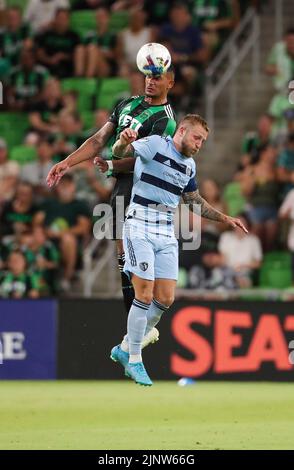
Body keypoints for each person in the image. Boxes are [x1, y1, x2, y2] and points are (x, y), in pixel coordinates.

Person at [109, 114, 247, 386]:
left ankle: (125, 347)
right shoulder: (155, 144)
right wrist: (122, 143)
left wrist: (225, 218)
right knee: (145, 293)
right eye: (197, 138)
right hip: (140, 223)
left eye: (203, 141)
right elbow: (120, 152)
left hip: (166, 230)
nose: (199, 144)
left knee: (165, 299)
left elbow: (194, 201)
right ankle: (135, 359)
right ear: (182, 130)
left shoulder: (189, 166)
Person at [47, 65, 177, 321]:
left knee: (130, 249)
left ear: (170, 83)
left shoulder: (166, 120)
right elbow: (97, 141)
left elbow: (145, 161)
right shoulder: (126, 104)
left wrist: (113, 163)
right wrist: (67, 162)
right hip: (121, 184)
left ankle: (140, 321)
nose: (150, 81)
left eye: (157, 78)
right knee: (121, 250)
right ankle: (133, 323)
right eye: (148, 76)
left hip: (144, 187)